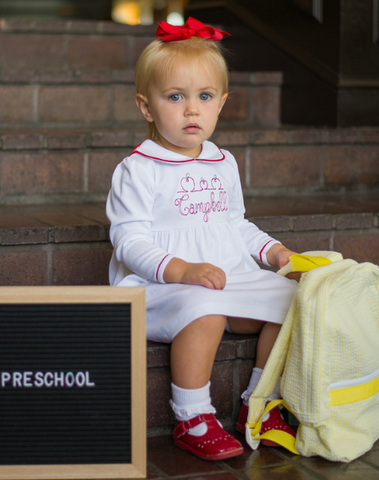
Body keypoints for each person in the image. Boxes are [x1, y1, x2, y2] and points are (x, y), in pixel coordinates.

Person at [106, 17, 298, 461]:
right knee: (206, 308)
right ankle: (192, 417)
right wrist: (184, 271)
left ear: (221, 103)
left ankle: (261, 402)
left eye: (204, 97)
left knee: (293, 298)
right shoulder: (139, 168)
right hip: (160, 285)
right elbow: (129, 242)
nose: (192, 109)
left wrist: (274, 251)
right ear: (146, 107)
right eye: (176, 97)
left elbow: (236, 224)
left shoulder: (222, 162)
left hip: (223, 273)